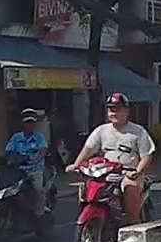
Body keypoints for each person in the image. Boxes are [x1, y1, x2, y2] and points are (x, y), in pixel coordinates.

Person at [66, 93, 156, 225]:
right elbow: (88, 150)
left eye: (117, 109)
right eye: (111, 109)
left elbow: (146, 157)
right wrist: (75, 165)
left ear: (126, 111)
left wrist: (137, 171)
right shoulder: (101, 131)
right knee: (88, 186)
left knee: (130, 186)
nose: (113, 113)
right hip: (105, 172)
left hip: (128, 173)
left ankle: (133, 223)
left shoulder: (138, 132)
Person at [5, 108, 49, 216]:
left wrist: (35, 161)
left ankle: (39, 214)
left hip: (34, 170)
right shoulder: (16, 137)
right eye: (27, 122)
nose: (30, 125)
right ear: (23, 124)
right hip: (18, 170)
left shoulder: (39, 137)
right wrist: (10, 160)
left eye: (32, 123)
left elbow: (42, 152)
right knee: (7, 189)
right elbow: (9, 151)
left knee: (38, 190)